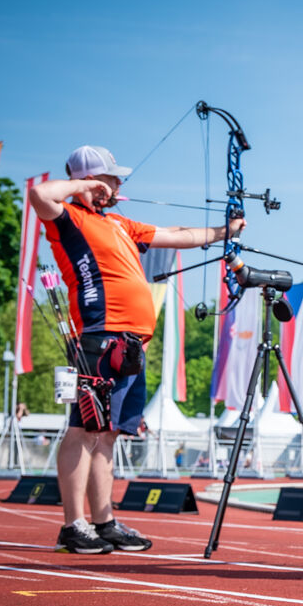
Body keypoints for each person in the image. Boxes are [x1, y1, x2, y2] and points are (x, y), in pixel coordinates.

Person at [29, 145, 245, 554]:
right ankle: (74, 525)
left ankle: (103, 521)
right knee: (84, 428)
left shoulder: (122, 225)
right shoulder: (68, 218)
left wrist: (225, 233)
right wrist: (84, 186)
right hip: (99, 337)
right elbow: (41, 195)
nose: (118, 183)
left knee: (108, 435)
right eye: (110, 177)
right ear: (92, 180)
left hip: (131, 345)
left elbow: (179, 236)